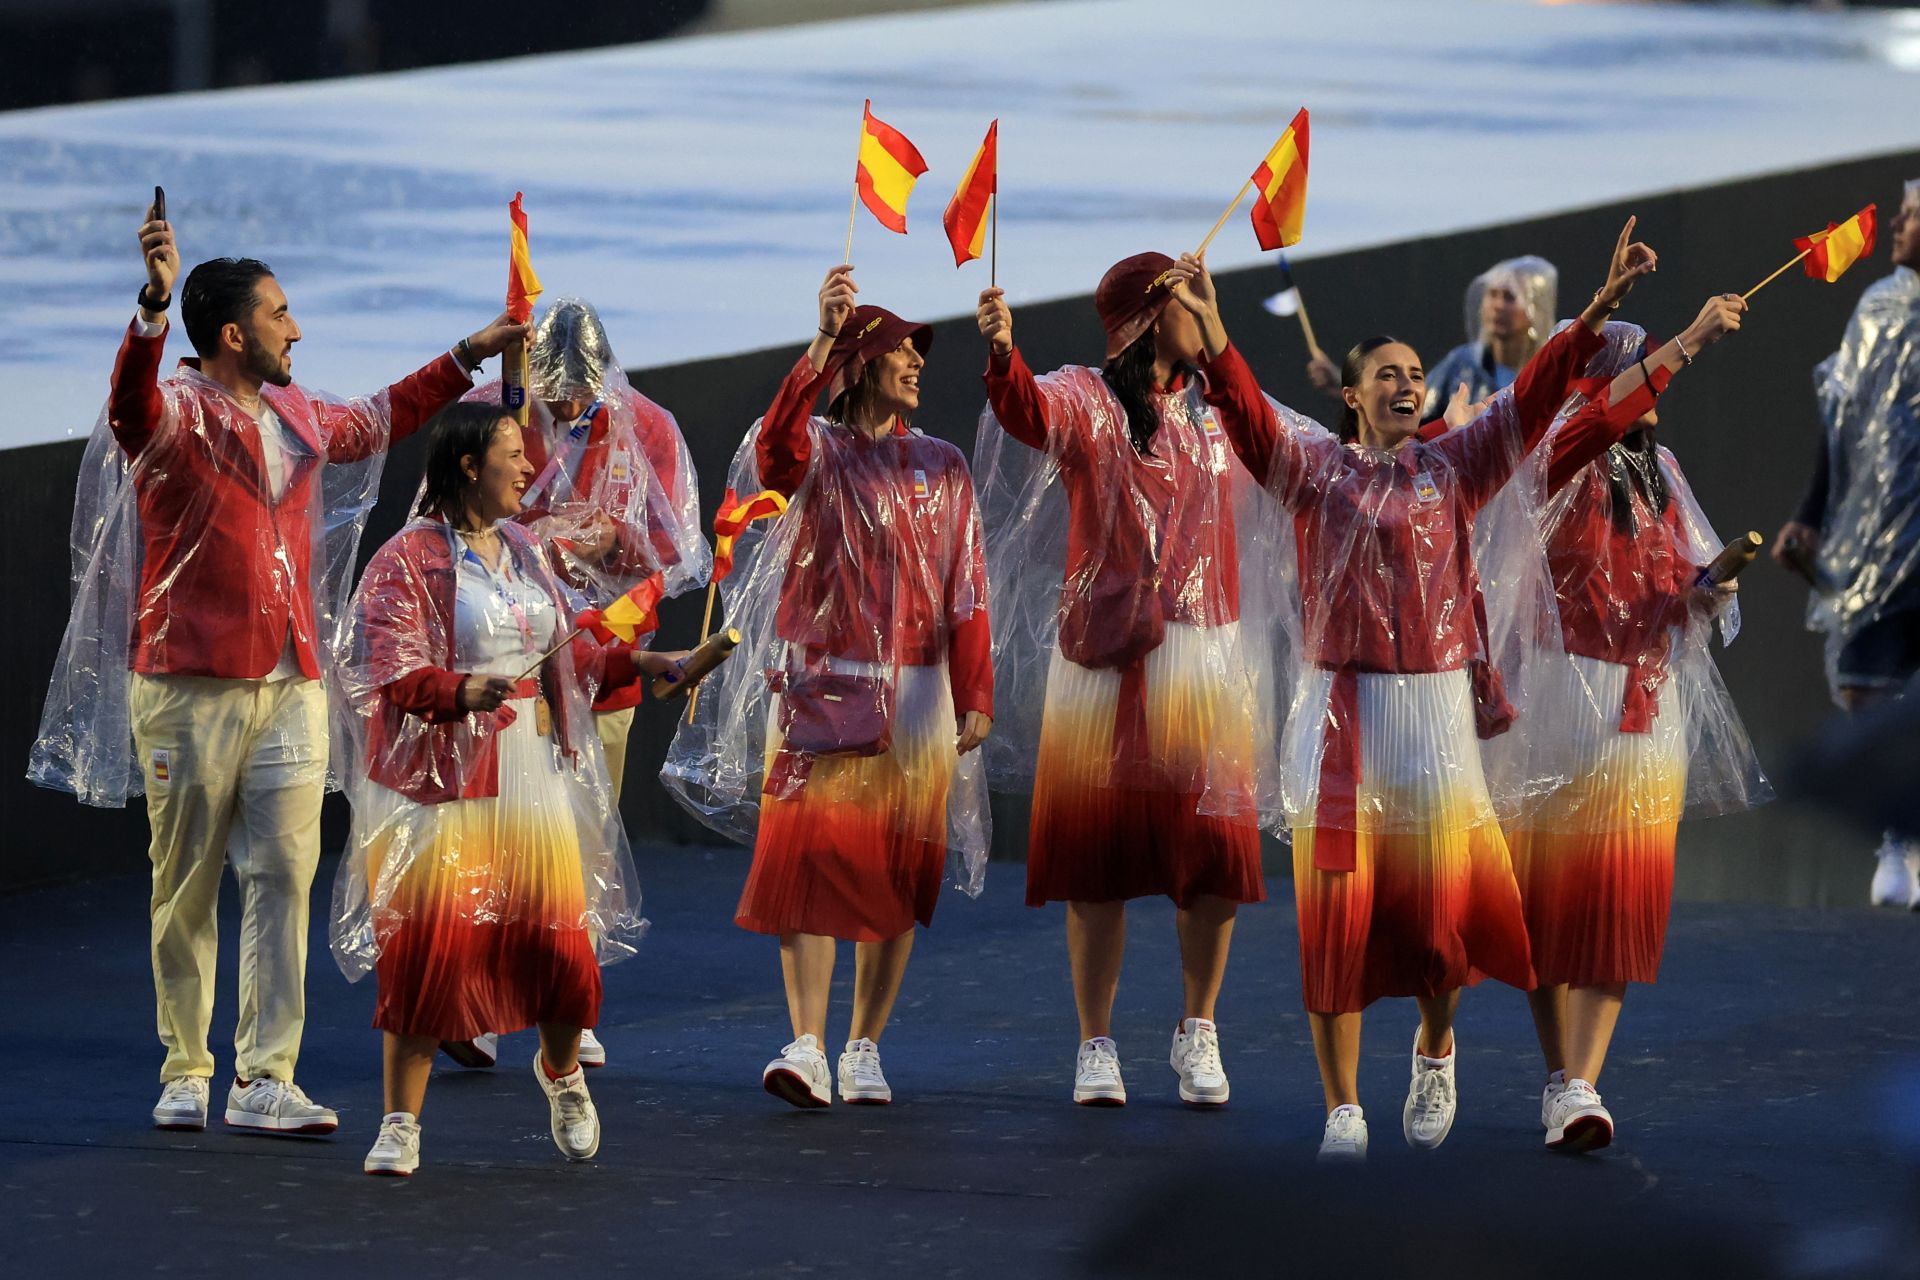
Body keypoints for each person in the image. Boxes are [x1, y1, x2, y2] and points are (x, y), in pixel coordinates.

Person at [1211, 221, 1740, 1162]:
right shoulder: (1311, 473)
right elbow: (1250, 416)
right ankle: (1343, 1107)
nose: (1409, 383)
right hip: (1339, 726)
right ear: (1351, 394)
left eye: (1417, 372)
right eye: (1387, 374)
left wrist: (1606, 303)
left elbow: (1540, 403)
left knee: (1438, 929)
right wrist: (1213, 335)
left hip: (1435, 723)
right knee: (1335, 923)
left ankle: (1435, 1042)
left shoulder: (1456, 468)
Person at [29, 197, 526, 1136]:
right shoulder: (173, 411)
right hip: (187, 682)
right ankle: (186, 1067)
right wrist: (148, 307)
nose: (297, 328)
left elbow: (384, 417)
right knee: (184, 881)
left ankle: (264, 1078)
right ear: (230, 333)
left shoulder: (297, 417)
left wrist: (469, 353)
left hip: (291, 684)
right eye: (279, 314)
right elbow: (128, 408)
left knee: (284, 876)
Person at [662, 265, 994, 1108]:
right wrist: (818, 341)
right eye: (900, 352)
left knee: (895, 872)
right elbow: (773, 449)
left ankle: (865, 1048)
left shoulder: (945, 465)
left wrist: (977, 688)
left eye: (922, 351)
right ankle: (805, 1043)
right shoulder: (818, 453)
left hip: (919, 698)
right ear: (860, 365)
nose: (918, 362)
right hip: (822, 687)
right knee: (806, 866)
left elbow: (968, 588)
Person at [973, 253, 1292, 1108]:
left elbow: (1275, 438)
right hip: (1108, 658)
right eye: (1193, 302)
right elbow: (1026, 412)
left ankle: (1200, 1029)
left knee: (1216, 857)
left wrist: (1220, 335)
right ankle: (1096, 1043)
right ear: (1153, 317)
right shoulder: (1085, 397)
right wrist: (1004, 354)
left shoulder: (1217, 411)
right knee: (1097, 860)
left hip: (1203, 652)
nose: (1205, 317)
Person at [331, 402, 680, 1176]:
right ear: (467, 466)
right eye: (513, 455)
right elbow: (387, 670)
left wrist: (638, 665)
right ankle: (399, 1123)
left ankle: (561, 1074)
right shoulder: (405, 561)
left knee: (560, 950)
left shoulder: (524, 549)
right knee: (427, 954)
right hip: (441, 785)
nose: (530, 468)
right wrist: (459, 692)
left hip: (531, 773)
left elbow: (568, 657)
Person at [1485, 318, 1765, 1153]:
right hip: (1560, 698)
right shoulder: (1557, 455)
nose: (1649, 382)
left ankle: (1579, 1085)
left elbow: (1682, 582)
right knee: (1543, 907)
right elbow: (1593, 425)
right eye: (1633, 368)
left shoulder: (1663, 473)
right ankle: (1557, 1074)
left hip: (1645, 707)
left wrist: (1705, 590)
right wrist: (1691, 342)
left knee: (1616, 901)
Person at [443, 296, 708, 1072]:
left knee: (583, 834)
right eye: (553, 389)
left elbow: (673, 553)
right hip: (501, 658)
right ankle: (479, 1003)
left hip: (599, 660)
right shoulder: (494, 411)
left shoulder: (647, 428)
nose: (564, 407)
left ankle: (571, 1000)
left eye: (577, 393)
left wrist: (613, 540)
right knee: (490, 835)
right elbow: (447, 514)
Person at [1770, 180, 1920, 908]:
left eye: (1911, 216)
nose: (1896, 224)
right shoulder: (1877, 310)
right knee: (1867, 675)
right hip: (1877, 530)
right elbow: (1841, 421)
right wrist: (1811, 513)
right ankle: (1896, 843)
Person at [1305, 256, 1557, 422]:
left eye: (1510, 297)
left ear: (1536, 309)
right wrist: (1347, 386)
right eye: (1493, 295)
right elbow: (1411, 412)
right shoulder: (1463, 364)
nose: (1498, 306)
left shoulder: (1551, 372)